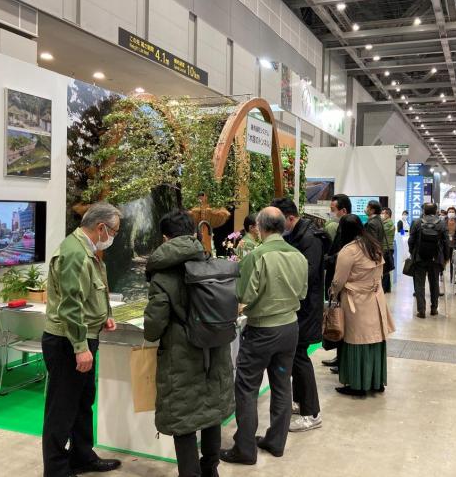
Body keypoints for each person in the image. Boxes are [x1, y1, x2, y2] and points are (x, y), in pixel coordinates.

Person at [143, 211, 234, 477]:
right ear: (193, 233)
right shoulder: (211, 264)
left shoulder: (163, 276)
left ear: (165, 238)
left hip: (180, 356)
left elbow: (153, 328)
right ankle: (211, 470)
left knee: (183, 419)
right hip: (215, 349)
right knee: (211, 413)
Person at [221, 207, 308, 465]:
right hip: (290, 328)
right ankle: (276, 442)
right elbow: (302, 293)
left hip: (262, 330)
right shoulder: (298, 256)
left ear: (260, 227)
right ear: (283, 226)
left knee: (247, 387)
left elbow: (244, 294)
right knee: (282, 385)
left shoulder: (257, 256)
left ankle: (245, 449)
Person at [42, 203, 122, 477]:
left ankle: (82, 456)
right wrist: (80, 348)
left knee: (82, 402)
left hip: (85, 336)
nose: (113, 237)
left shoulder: (87, 250)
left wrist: (104, 316)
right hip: (68, 342)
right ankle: (56, 469)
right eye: (114, 232)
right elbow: (70, 306)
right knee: (62, 408)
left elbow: (91, 292)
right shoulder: (74, 253)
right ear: (101, 227)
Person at [270, 198, 326, 433]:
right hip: (299, 306)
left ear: (290, 218)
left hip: (307, 307)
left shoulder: (309, 238)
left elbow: (307, 275)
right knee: (295, 356)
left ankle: (311, 414)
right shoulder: (297, 235)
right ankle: (301, 402)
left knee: (300, 357)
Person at [330, 214, 395, 396]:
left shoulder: (348, 250)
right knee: (375, 340)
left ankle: (357, 385)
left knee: (356, 341)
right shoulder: (374, 245)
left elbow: (339, 280)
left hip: (356, 301)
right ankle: (376, 381)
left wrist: (333, 294)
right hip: (375, 299)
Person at [322, 194, 352, 372]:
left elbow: (342, 255)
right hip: (336, 279)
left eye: (333, 209)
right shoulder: (340, 226)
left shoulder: (346, 228)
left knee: (341, 320)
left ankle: (342, 360)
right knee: (337, 319)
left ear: (343, 210)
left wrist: (327, 259)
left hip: (341, 284)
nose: (331, 212)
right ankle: (339, 356)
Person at [408, 203, 449, 318]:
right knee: (434, 283)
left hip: (419, 258)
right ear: (436, 211)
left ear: (424, 211)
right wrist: (446, 258)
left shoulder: (416, 222)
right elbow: (446, 242)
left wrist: (413, 253)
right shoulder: (441, 223)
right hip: (436, 258)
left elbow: (411, 241)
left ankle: (421, 310)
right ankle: (434, 309)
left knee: (419, 284)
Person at [381, 207, 396, 293]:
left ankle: (383, 288)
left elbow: (381, 231)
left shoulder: (388, 223)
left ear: (388, 214)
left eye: (383, 213)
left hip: (386, 248)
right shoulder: (386, 223)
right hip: (386, 248)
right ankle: (387, 288)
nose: (381, 215)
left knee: (384, 270)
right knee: (386, 268)